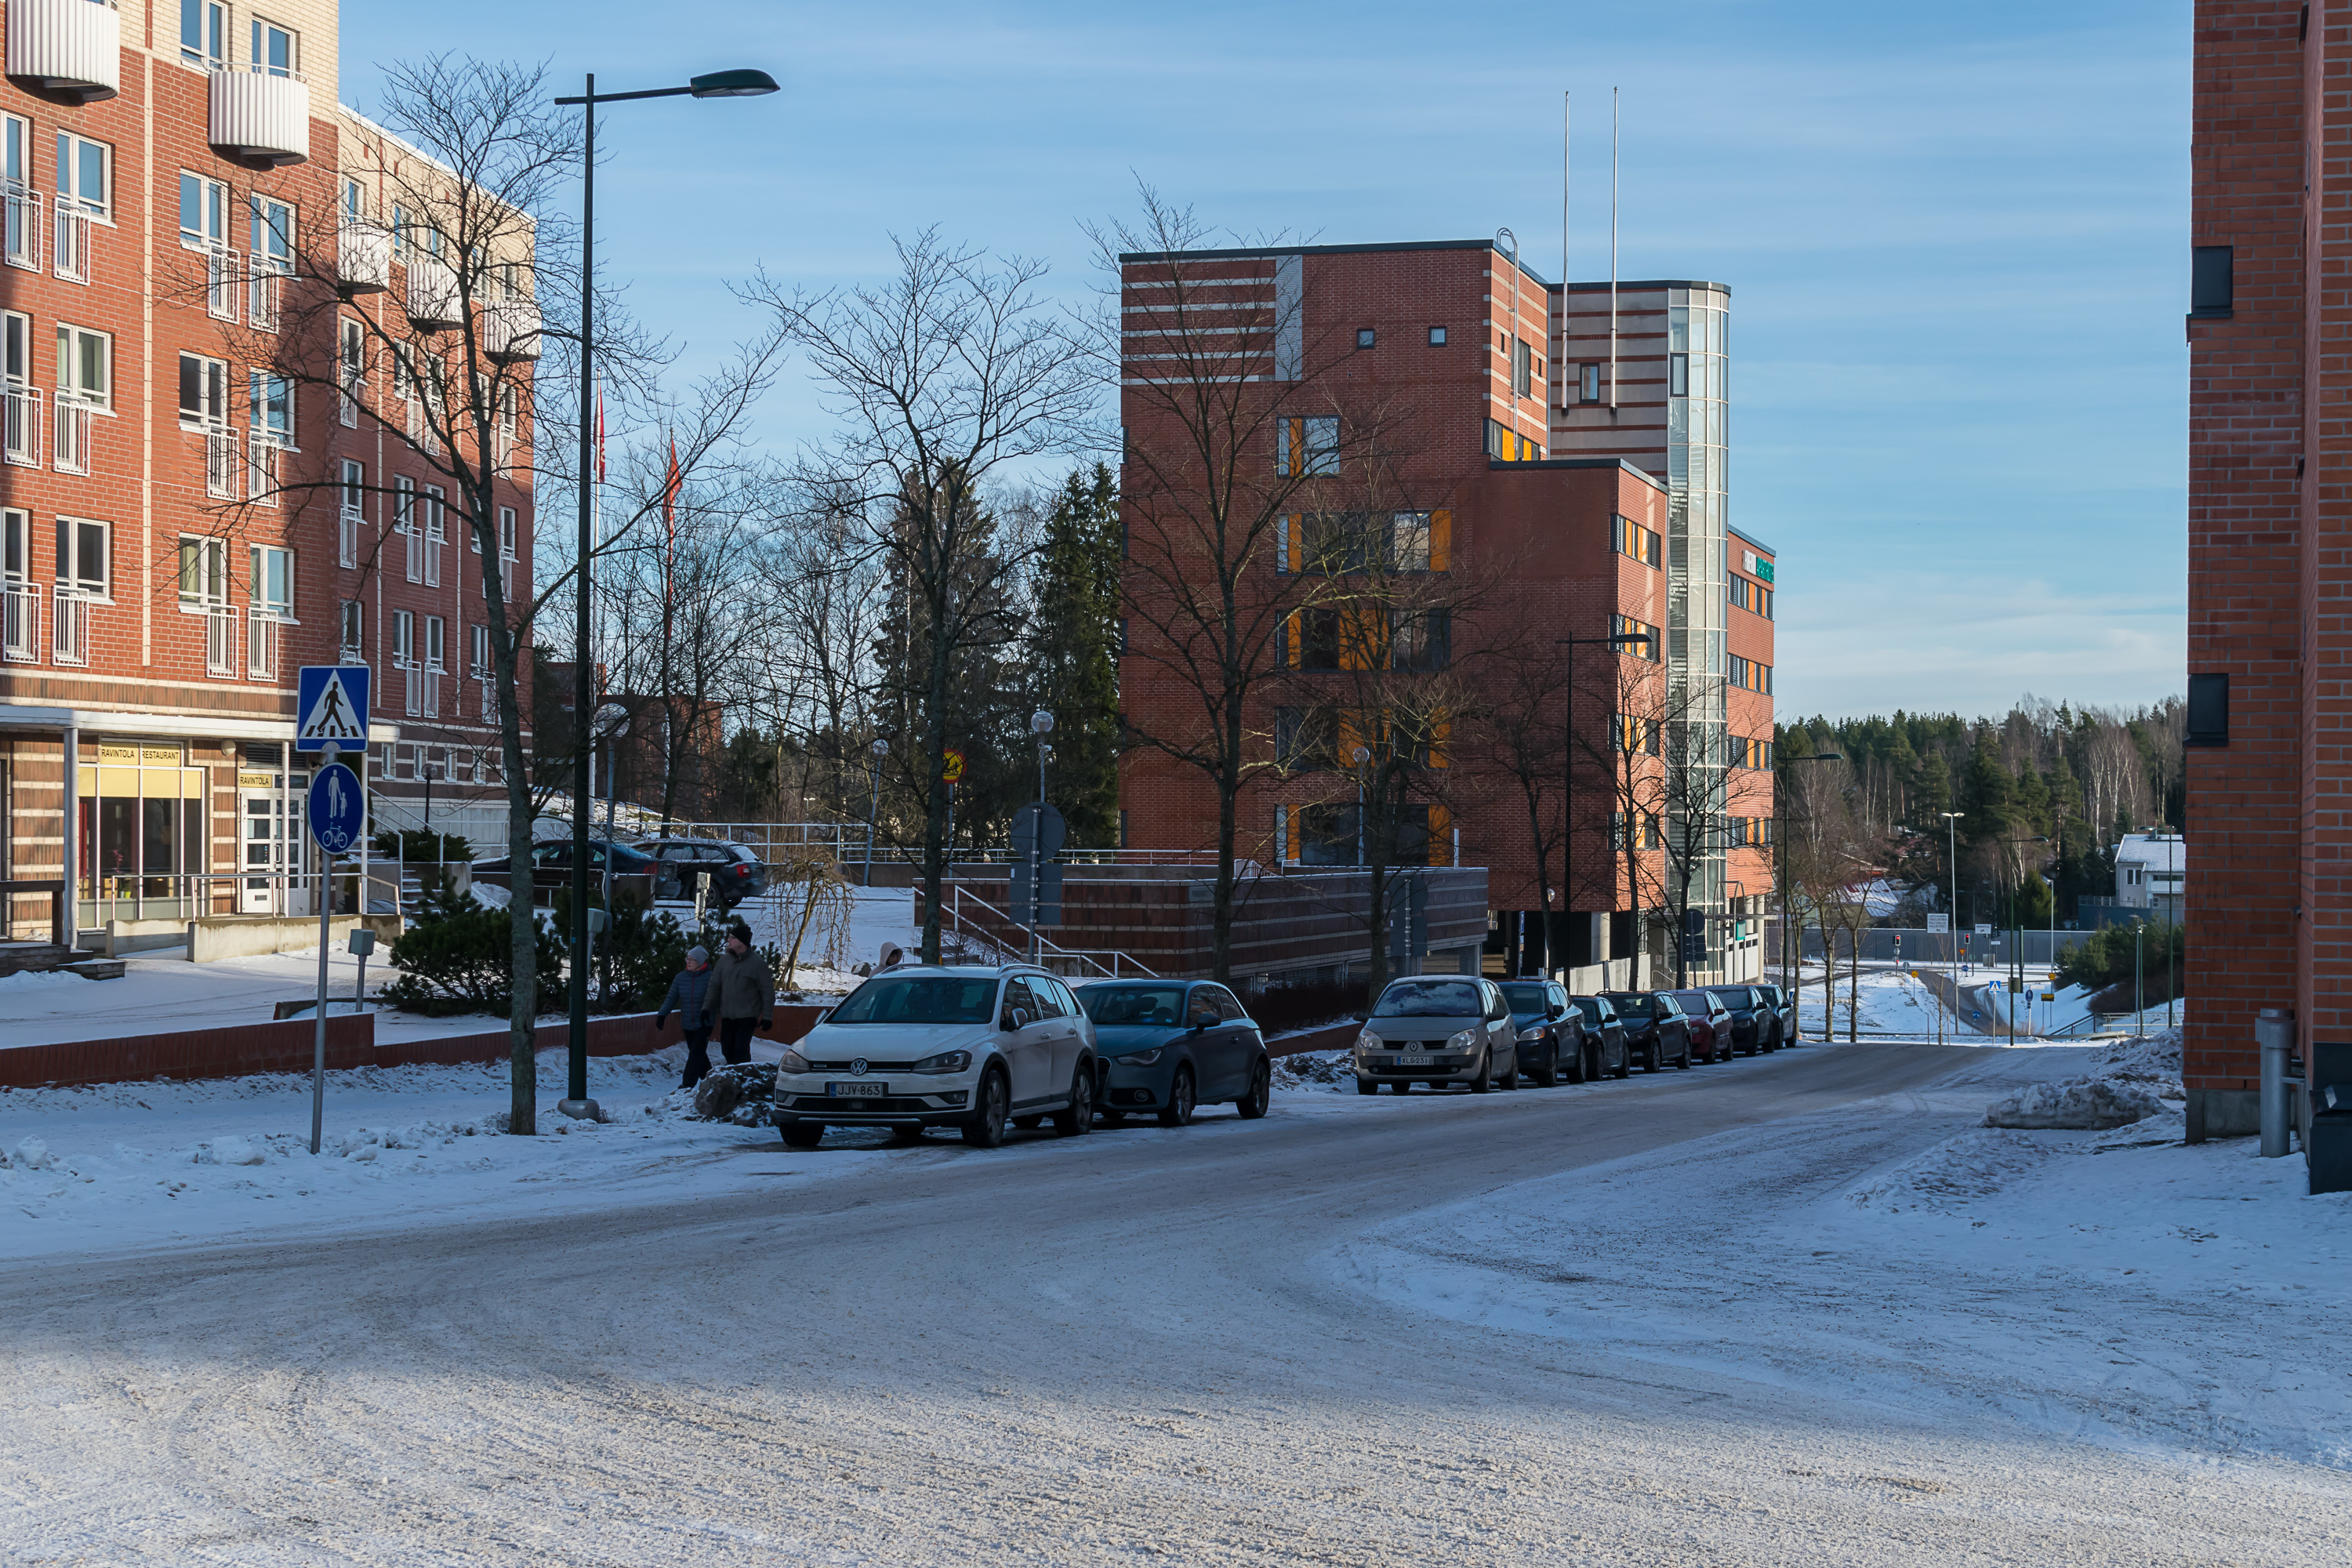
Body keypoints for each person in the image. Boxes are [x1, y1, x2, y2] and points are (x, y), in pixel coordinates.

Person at [711, 918, 774, 1066]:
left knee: (741, 1049)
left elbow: (767, 992)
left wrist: (767, 1017)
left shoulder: (757, 964)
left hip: (748, 1015)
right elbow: (713, 986)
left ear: (742, 941)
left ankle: (743, 1076)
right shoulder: (724, 961)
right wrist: (707, 1008)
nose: (728, 940)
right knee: (727, 1049)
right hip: (727, 1015)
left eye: (732, 938)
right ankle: (732, 1075)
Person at [655, 945, 718, 1090]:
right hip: (688, 1023)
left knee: (696, 1052)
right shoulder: (680, 978)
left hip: (705, 1022)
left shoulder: (711, 977)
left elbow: (715, 998)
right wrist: (662, 1014)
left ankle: (687, 1085)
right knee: (698, 1054)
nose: (688, 962)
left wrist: (708, 1010)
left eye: (692, 960)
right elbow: (671, 998)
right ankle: (712, 1081)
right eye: (687, 959)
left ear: (700, 961)